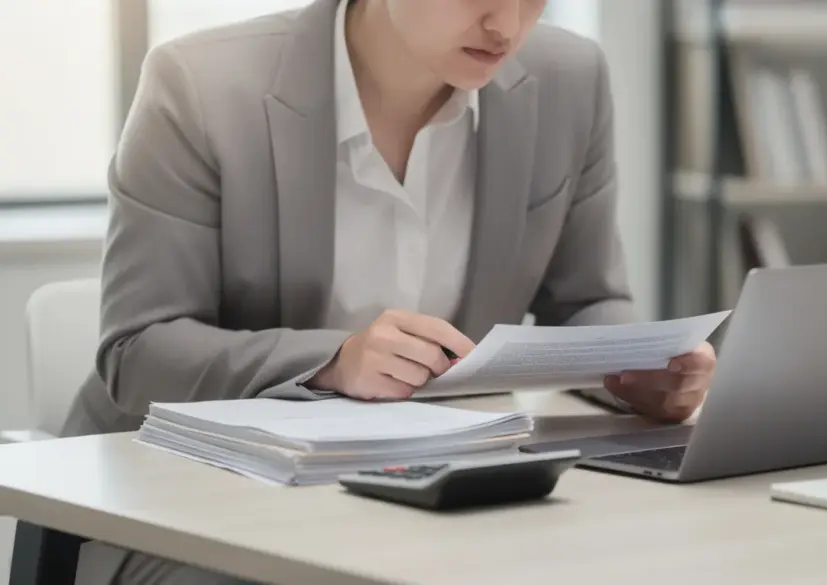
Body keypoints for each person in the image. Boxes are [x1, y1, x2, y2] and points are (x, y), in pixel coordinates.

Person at [63, 0, 718, 583]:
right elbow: (138, 348)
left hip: (429, 502)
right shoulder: (201, 84)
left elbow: (583, 301)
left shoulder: (568, 79)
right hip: (188, 505)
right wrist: (333, 360)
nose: (507, 25)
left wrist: (635, 367)